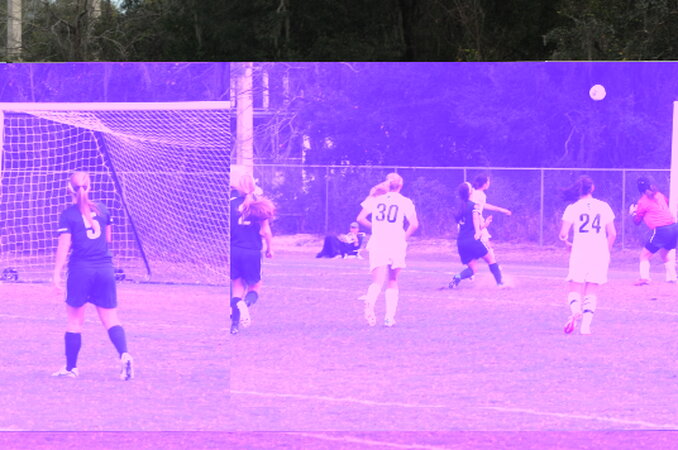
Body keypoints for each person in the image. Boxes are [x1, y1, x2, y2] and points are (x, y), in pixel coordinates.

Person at [52, 171, 133, 380]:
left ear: (69, 189)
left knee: (74, 322)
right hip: (105, 269)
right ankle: (124, 355)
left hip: (81, 271)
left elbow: (64, 245)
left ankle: (71, 368)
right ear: (90, 187)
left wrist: (56, 274)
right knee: (111, 319)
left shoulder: (68, 215)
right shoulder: (103, 209)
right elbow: (108, 239)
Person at [356, 173, 418, 327]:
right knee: (392, 279)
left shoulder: (376, 199)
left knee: (377, 281)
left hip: (378, 241)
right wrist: (404, 237)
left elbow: (360, 218)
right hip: (395, 242)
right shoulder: (404, 201)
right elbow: (414, 224)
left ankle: (370, 300)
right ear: (401, 185)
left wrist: (376, 228)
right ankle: (389, 318)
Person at [559, 175, 616, 335]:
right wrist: (606, 252)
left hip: (580, 250)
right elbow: (612, 234)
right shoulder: (603, 206)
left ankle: (575, 311)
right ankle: (586, 326)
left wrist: (567, 243)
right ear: (592, 188)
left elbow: (563, 233)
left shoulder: (573, 207)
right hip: (599, 251)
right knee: (592, 288)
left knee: (575, 285)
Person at [230, 172, 275, 335]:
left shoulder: (230, 204)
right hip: (252, 251)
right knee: (255, 286)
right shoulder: (258, 206)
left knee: (237, 287)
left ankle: (234, 326)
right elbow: (265, 231)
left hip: (234, 250)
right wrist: (270, 248)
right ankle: (246, 304)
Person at [448, 182, 505, 289]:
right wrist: (478, 232)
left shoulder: (460, 208)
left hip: (461, 242)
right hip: (472, 239)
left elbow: (470, 225)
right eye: (471, 188)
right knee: (491, 259)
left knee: (473, 269)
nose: (473, 189)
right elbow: (475, 220)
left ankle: (457, 277)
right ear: (470, 192)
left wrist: (485, 224)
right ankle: (500, 284)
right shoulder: (474, 205)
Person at [629, 177, 677, 285]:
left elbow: (637, 221)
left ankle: (644, 278)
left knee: (644, 255)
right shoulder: (659, 195)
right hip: (674, 227)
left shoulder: (642, 202)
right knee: (664, 253)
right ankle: (672, 278)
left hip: (662, 230)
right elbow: (666, 203)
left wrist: (633, 213)